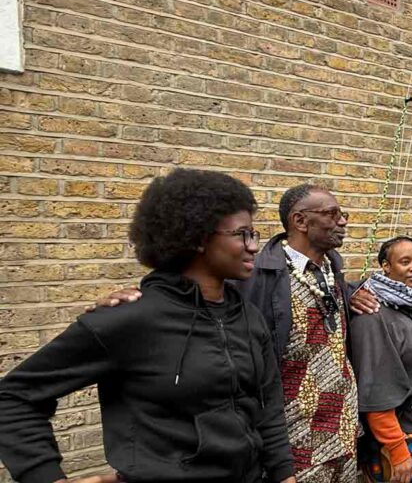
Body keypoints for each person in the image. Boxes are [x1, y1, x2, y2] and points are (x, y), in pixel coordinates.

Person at [0, 168, 296, 483]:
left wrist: (283, 474)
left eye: (254, 234)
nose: (253, 246)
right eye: (242, 234)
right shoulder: (130, 320)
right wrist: (46, 476)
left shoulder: (248, 317)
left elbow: (268, 411)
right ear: (197, 238)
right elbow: (14, 397)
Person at [91, 183, 379, 481]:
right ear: (300, 221)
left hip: (342, 431)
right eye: (332, 214)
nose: (342, 221)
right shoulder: (256, 274)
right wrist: (134, 298)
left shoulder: (332, 267)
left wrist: (351, 291)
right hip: (292, 441)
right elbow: (195, 296)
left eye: (341, 214)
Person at [349, 237, 412, 483]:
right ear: (386, 266)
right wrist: (397, 448)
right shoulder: (372, 314)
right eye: (405, 262)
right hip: (408, 432)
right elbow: (376, 389)